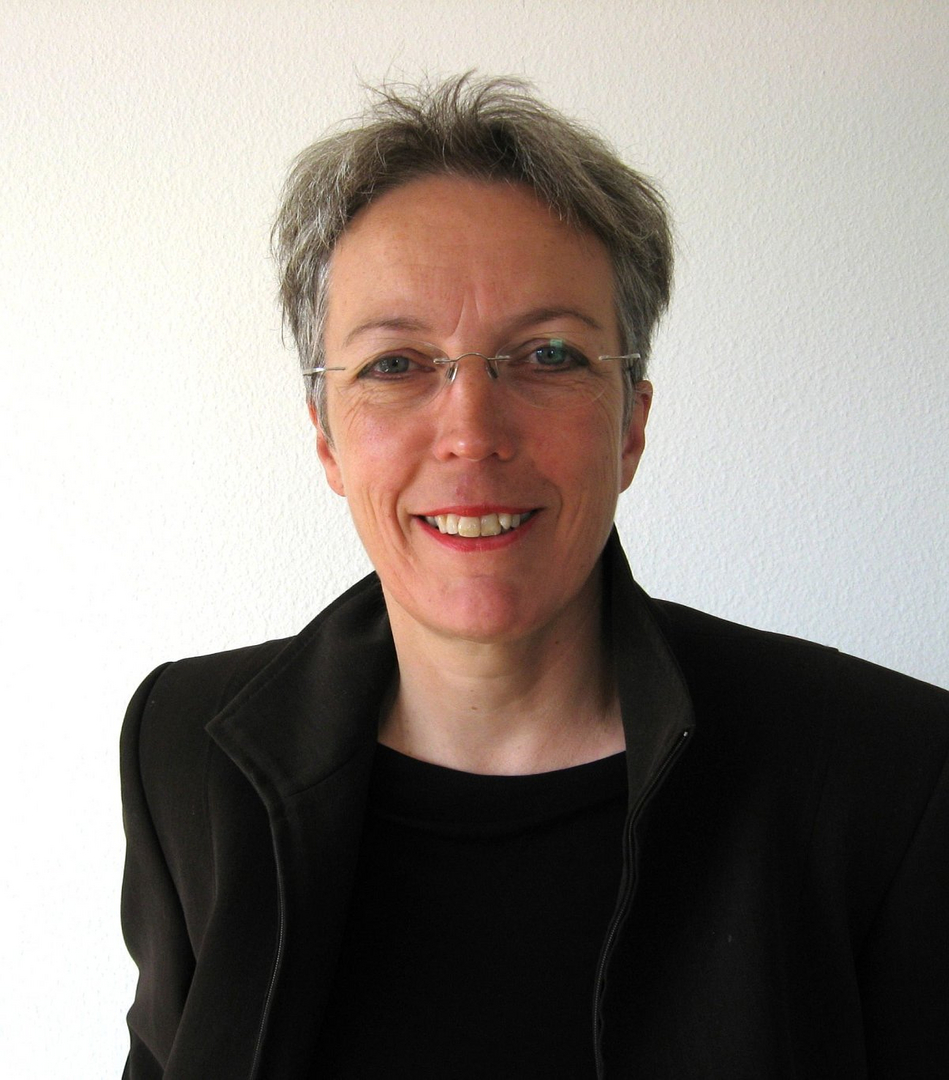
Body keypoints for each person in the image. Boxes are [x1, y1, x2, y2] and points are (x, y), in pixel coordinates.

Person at [120, 75, 949, 1079]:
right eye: (396, 364)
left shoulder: (889, 776)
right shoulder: (183, 750)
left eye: (547, 355)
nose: (472, 433)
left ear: (630, 423)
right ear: (327, 438)